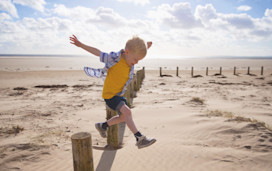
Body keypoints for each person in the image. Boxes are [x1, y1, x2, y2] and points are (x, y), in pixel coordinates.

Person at [69, 35, 156, 149]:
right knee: (127, 112)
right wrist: (81, 45)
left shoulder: (130, 56)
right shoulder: (114, 58)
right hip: (110, 95)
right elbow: (98, 53)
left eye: (138, 60)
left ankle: (102, 126)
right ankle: (139, 138)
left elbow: (136, 51)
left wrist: (146, 46)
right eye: (136, 60)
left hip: (119, 95)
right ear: (127, 52)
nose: (136, 63)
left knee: (124, 117)